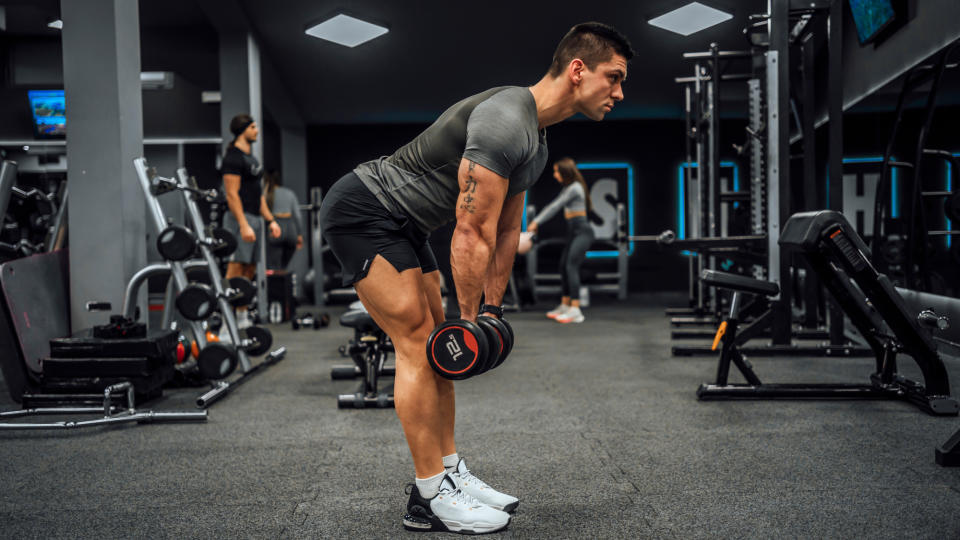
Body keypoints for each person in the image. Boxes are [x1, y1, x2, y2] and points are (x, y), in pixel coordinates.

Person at [318, 22, 633, 534]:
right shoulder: (506, 120)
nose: (620, 92)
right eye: (614, 78)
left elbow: (507, 231)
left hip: (408, 223)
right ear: (578, 70)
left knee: (437, 350)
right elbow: (469, 231)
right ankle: (428, 497)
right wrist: (468, 325)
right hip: (364, 211)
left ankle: (448, 471)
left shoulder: (536, 141)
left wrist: (491, 313)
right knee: (422, 346)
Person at [220, 114, 281, 329]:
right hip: (239, 219)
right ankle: (227, 322)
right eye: (253, 127)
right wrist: (243, 223)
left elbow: (259, 196)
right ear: (242, 130)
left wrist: (271, 220)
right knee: (236, 268)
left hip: (254, 218)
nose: (256, 131)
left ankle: (241, 316)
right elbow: (232, 195)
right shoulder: (232, 158)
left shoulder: (252, 159)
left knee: (250, 269)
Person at [526, 157, 595, 323]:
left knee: (571, 266)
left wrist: (536, 221)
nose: (555, 175)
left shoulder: (575, 188)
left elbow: (555, 206)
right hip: (573, 232)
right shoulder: (568, 188)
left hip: (583, 231)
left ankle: (575, 309)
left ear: (565, 172)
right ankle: (565, 305)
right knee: (563, 265)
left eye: (557, 171)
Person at [263, 169, 304, 271]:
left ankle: (276, 285)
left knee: (274, 267)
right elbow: (298, 216)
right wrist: (299, 235)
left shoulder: (267, 194)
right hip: (291, 230)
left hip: (275, 228)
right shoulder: (290, 193)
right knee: (284, 267)